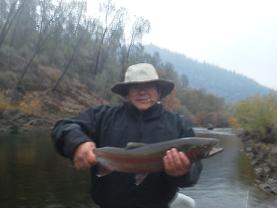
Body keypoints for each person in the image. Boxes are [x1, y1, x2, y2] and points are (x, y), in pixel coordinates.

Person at [51, 63, 202, 208]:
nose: (142, 92)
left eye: (148, 86)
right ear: (127, 93)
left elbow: (194, 173)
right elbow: (63, 127)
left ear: (159, 92)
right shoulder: (102, 116)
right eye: (135, 87)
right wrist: (77, 143)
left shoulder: (178, 124)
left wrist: (184, 172)